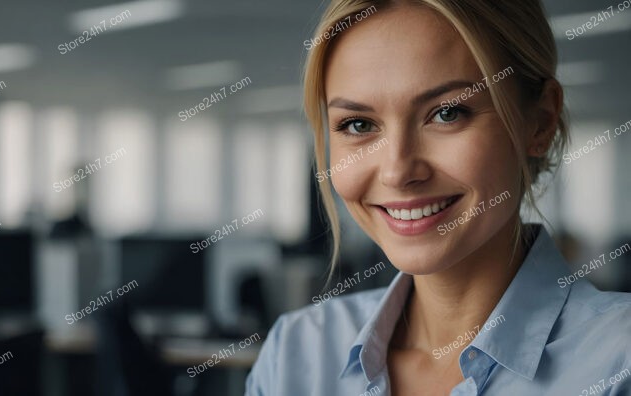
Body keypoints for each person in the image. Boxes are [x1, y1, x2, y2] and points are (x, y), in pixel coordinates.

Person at [245, 0, 631, 395]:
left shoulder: (619, 361)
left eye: (447, 114)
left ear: (540, 122)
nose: (397, 172)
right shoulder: (295, 353)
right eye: (358, 124)